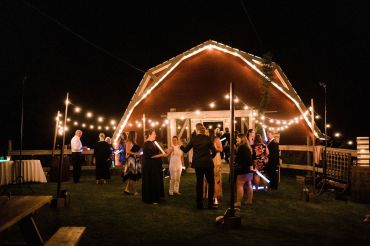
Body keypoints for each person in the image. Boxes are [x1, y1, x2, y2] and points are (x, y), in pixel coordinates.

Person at [180, 123, 217, 209]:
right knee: (211, 183)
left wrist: (181, 146)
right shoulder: (208, 138)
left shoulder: (194, 139)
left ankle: (199, 204)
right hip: (208, 163)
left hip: (198, 164)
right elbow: (214, 152)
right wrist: (210, 157)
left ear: (197, 130)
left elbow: (185, 150)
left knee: (199, 183)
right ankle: (210, 204)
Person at [142, 129, 167, 204]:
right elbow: (151, 156)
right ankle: (151, 198)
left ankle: (157, 197)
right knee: (151, 181)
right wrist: (162, 155)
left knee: (156, 181)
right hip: (150, 167)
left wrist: (165, 152)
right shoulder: (146, 144)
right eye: (154, 134)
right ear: (149, 135)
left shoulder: (153, 143)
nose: (155, 135)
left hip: (155, 166)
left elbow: (156, 153)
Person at [234, 133, 254, 207]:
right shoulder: (247, 147)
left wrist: (235, 160)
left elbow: (239, 159)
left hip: (243, 168)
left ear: (241, 139)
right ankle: (249, 200)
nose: (236, 139)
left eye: (237, 138)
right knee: (249, 184)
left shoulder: (242, 147)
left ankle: (238, 202)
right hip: (249, 168)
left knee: (239, 184)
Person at [123, 131, 141, 195]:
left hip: (135, 160)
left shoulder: (134, 142)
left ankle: (127, 189)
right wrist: (135, 153)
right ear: (132, 135)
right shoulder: (129, 142)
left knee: (132, 176)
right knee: (132, 176)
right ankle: (134, 191)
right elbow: (127, 152)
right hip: (131, 160)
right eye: (135, 135)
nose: (136, 136)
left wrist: (139, 153)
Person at [212, 130, 223, 205]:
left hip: (216, 158)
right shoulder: (208, 139)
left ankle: (216, 194)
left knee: (216, 177)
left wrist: (215, 148)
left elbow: (221, 149)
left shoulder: (217, 139)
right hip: (210, 158)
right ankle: (209, 193)